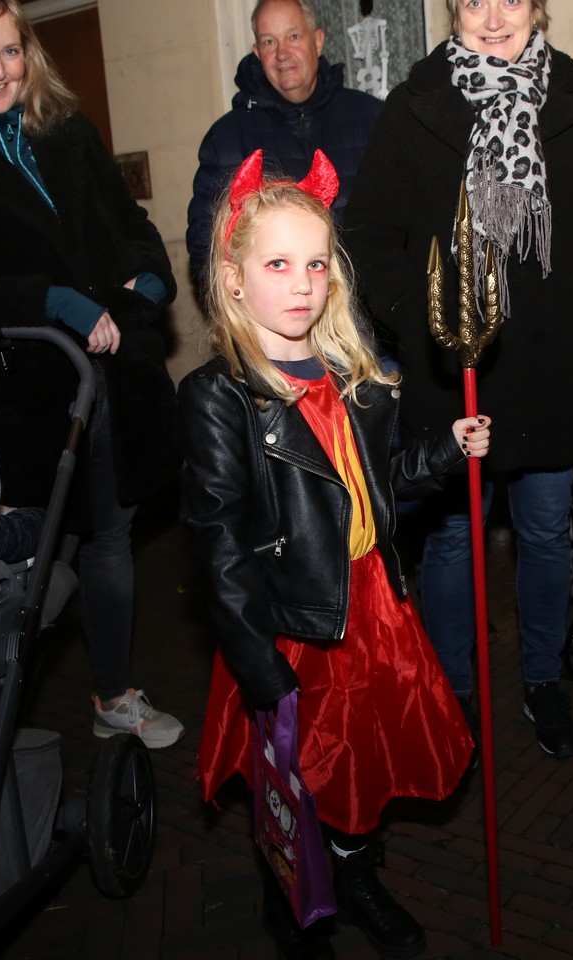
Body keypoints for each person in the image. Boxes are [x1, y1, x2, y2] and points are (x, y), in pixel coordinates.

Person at [180, 149, 489, 960]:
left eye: (316, 263)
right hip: (294, 623)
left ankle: (355, 876)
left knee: (365, 766)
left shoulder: (354, 377)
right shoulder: (220, 398)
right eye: (278, 264)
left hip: (372, 607)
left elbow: (376, 489)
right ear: (234, 279)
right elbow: (219, 545)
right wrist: (255, 662)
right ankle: (293, 902)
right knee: (302, 777)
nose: (303, 283)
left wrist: (447, 451)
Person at [341, 0, 573, 759]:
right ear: (453, 11)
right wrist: (421, 318)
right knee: (452, 539)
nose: (491, 16)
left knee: (545, 532)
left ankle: (542, 679)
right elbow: (369, 234)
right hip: (455, 372)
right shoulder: (415, 106)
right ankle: (455, 692)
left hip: (553, 367)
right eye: (472, 0)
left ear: (537, 8)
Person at [0, 0, 185, 748]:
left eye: (10, 50)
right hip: (20, 393)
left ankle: (113, 696)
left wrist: (148, 282)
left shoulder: (68, 132)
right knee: (38, 554)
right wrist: (51, 302)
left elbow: (134, 231)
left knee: (110, 535)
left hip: (110, 376)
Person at [184, 0, 384, 275]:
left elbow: (404, 221)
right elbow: (206, 246)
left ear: (318, 41)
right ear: (257, 52)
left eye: (293, 36)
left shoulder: (372, 119)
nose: (282, 54)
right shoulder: (226, 139)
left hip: (364, 298)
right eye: (269, 42)